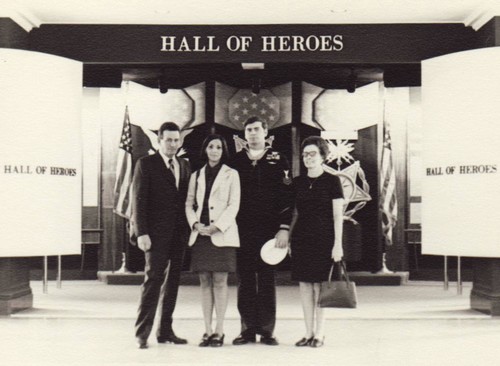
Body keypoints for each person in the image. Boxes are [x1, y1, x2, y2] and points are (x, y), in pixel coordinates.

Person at [230, 116, 293, 346]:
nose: (253, 133)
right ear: (244, 134)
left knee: (266, 279)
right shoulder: (235, 161)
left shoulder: (279, 159)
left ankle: (267, 330)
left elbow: (287, 196)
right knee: (245, 279)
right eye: (249, 130)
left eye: (257, 129)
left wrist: (284, 228)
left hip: (270, 231)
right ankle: (246, 329)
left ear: (266, 133)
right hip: (242, 230)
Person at [131, 122, 191, 349]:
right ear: (159, 141)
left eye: (176, 140)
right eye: (168, 140)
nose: (173, 144)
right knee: (153, 281)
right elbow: (138, 201)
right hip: (154, 236)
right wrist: (142, 232)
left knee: (173, 283)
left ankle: (165, 330)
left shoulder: (185, 165)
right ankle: (141, 333)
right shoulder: (146, 164)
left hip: (178, 236)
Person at [185, 134, 241, 347]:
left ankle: (219, 331)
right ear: (205, 150)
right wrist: (196, 225)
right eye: (211, 146)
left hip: (222, 234)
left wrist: (217, 227)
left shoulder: (231, 174)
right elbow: (189, 205)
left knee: (220, 281)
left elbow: (233, 205)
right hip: (201, 235)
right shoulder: (196, 175)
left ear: (223, 150)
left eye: (219, 147)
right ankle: (207, 330)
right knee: (204, 282)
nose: (215, 150)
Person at [290, 136, 344, 348]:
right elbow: (293, 213)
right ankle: (308, 332)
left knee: (320, 287)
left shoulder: (332, 181)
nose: (308, 158)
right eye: (305, 154)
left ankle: (320, 334)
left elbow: (338, 215)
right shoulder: (298, 182)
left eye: (312, 154)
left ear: (323, 156)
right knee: (305, 285)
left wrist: (338, 244)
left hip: (325, 239)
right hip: (302, 239)